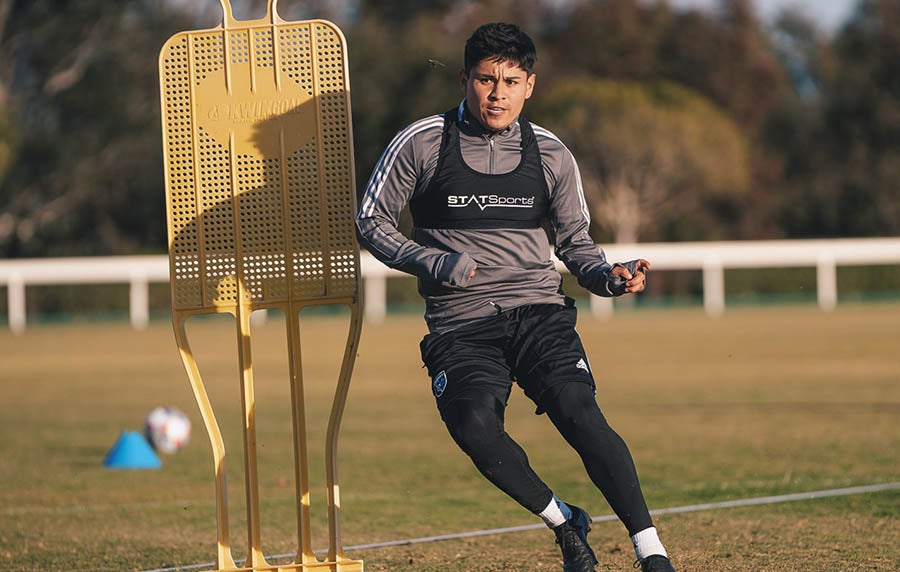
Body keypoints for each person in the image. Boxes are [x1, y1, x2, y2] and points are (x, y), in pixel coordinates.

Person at [355, 22, 676, 572]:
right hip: (460, 325)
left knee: (578, 410)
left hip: (538, 313)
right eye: (485, 79)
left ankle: (651, 550)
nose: (497, 93)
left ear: (530, 85)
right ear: (464, 80)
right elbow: (370, 220)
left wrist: (607, 277)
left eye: (510, 80)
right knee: (473, 425)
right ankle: (562, 519)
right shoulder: (422, 143)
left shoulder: (551, 154)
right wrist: (432, 260)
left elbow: (576, 245)